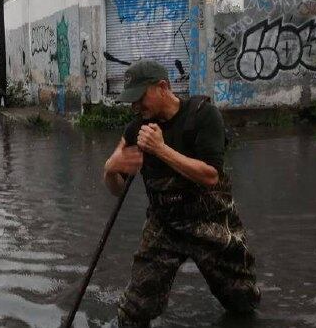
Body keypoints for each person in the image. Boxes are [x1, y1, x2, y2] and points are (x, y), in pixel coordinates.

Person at [102, 59, 260, 327]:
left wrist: (160, 149)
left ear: (163, 87)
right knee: (132, 312)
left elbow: (211, 176)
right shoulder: (136, 130)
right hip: (165, 225)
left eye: (140, 98)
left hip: (211, 221)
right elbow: (118, 190)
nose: (135, 107)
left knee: (242, 302)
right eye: (131, 101)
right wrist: (109, 170)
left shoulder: (203, 115)